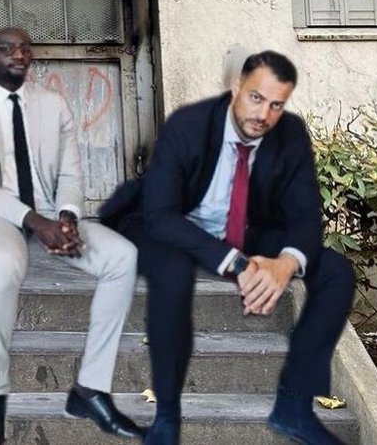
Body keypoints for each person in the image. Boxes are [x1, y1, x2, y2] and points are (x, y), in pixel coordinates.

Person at [101, 50, 355, 445]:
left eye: (276, 105)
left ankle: (293, 407)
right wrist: (237, 264)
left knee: (335, 270)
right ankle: (166, 417)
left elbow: (306, 218)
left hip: (241, 229)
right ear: (236, 89)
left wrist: (285, 263)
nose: (264, 114)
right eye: (256, 98)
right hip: (169, 224)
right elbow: (161, 216)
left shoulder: (288, 134)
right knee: (172, 271)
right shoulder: (188, 126)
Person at [0, 27, 143, 444]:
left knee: (122, 256)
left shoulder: (54, 105)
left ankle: (90, 389)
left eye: (24, 48)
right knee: (4, 263)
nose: (18, 55)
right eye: (7, 48)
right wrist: (35, 222)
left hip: (50, 213)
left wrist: (66, 217)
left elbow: (70, 173)